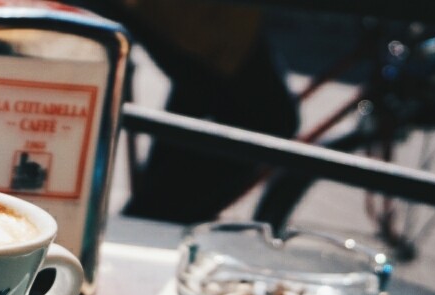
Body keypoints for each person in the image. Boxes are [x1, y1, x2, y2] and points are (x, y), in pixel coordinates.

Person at [86, 0, 301, 224]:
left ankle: (152, 215)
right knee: (272, 119)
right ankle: (151, 218)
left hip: (201, 22)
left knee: (197, 99)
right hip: (199, 21)